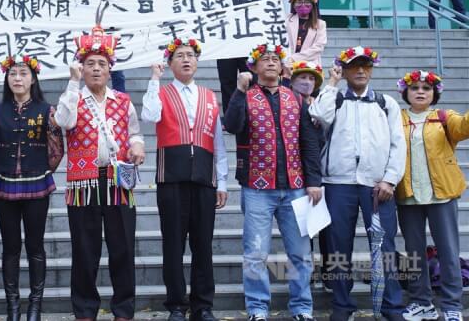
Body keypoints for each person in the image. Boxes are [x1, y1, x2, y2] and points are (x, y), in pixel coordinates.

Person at [223, 43, 322, 321]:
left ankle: (302, 308)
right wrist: (239, 91)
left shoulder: (296, 98)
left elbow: (309, 143)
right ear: (253, 67)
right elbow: (232, 125)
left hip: (296, 186)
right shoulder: (246, 95)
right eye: (263, 59)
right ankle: (257, 308)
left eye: (274, 59)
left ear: (282, 68)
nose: (270, 62)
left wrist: (314, 180)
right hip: (257, 187)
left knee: (300, 253)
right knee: (255, 252)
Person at [55, 21, 146, 321]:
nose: (96, 69)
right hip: (83, 185)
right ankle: (84, 311)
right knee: (85, 251)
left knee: (123, 250)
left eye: (102, 64)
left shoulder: (122, 101)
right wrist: (71, 83)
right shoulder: (73, 97)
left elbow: (134, 132)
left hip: (118, 182)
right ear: (81, 68)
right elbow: (64, 122)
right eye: (90, 64)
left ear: (110, 71)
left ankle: (123, 310)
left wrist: (138, 146)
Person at [309, 46, 406, 321]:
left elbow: (398, 145)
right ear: (345, 69)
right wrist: (331, 82)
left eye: (365, 66)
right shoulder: (335, 99)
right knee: (339, 246)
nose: (361, 70)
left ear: (372, 69)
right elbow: (318, 115)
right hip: (339, 183)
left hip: (377, 185)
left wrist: (389, 179)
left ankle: (391, 306)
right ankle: (342, 305)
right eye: (354, 66)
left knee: (385, 245)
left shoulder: (386, 103)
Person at [141, 38, 228, 321]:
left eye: (190, 55)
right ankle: (176, 306)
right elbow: (149, 114)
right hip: (172, 178)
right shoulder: (162, 92)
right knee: (173, 245)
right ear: (170, 63)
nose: (186, 60)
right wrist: (154, 79)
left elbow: (218, 142)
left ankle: (202, 306)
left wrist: (222, 181)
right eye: (179, 56)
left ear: (197, 61)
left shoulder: (209, 96)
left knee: (203, 244)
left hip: (204, 177)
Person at [0, 54, 64, 321]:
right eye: (12, 74)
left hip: (37, 184)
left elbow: (57, 148)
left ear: (33, 78)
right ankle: (12, 307)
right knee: (10, 247)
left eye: (23, 73)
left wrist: (43, 169)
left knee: (35, 247)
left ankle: (35, 306)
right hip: (4, 184)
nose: (17, 78)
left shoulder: (46, 110)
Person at [395, 71, 467, 321]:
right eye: (414, 87)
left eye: (426, 87)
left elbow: (463, 128)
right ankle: (421, 302)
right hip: (408, 195)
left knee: (448, 251)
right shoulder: (397, 118)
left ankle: (451, 306)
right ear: (406, 92)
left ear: (435, 93)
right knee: (414, 253)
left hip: (442, 195)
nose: (420, 91)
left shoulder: (445, 117)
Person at [57, 0, 126, 93]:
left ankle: (122, 103)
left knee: (117, 72)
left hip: (110, 36)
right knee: (82, 68)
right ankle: (78, 99)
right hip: (88, 36)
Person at [288, 61, 330, 289]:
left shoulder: (322, 104)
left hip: (321, 170)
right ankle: (308, 272)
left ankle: (326, 271)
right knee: (303, 229)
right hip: (295, 172)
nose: (307, 82)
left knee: (321, 225)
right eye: (301, 78)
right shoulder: (285, 101)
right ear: (292, 80)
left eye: (311, 79)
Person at [216, 0, 264, 114]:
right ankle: (230, 115)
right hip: (226, 46)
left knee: (251, 79)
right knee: (227, 80)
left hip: (248, 47)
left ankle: (251, 112)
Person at [285, 0, 327, 71]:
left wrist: (294, 58)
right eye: (299, 2)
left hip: (310, 66)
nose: (303, 5)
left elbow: (318, 47)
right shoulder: (286, 20)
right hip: (288, 66)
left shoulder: (320, 24)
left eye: (307, 2)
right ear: (293, 5)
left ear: (312, 5)